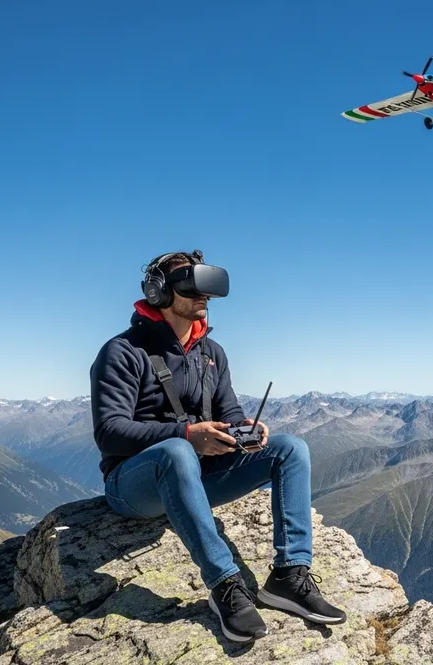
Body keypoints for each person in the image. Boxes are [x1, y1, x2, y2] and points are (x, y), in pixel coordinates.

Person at [90, 250, 347, 643]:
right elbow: (109, 432)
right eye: (189, 286)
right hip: (132, 486)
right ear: (159, 291)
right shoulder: (123, 352)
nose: (203, 296)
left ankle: (289, 576)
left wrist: (245, 431)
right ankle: (225, 585)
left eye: (206, 288)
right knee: (176, 452)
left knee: (291, 448)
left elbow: (229, 413)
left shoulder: (212, 353)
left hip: (196, 478)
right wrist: (187, 436)